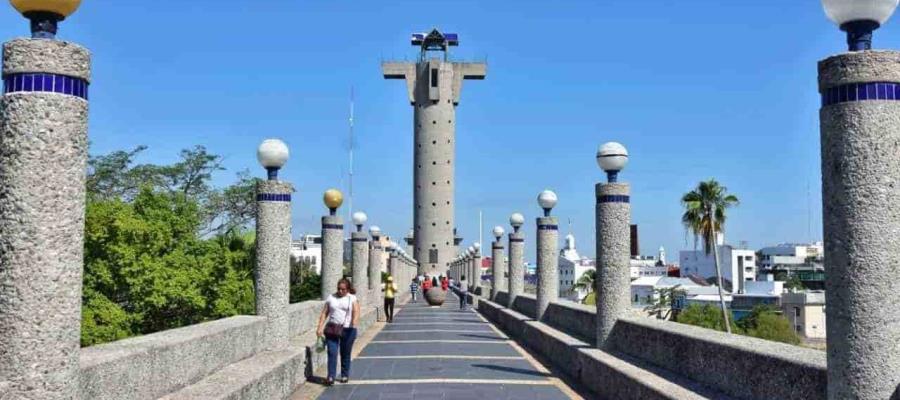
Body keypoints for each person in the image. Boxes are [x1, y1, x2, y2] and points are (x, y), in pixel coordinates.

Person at [315, 278, 360, 386]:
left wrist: (354, 322)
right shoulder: (331, 297)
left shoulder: (352, 298)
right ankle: (331, 376)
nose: (340, 291)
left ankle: (344, 374)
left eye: (343, 289)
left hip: (347, 329)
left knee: (345, 353)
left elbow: (356, 311)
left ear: (348, 289)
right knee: (332, 352)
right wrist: (320, 327)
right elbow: (324, 313)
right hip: (332, 329)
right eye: (339, 289)